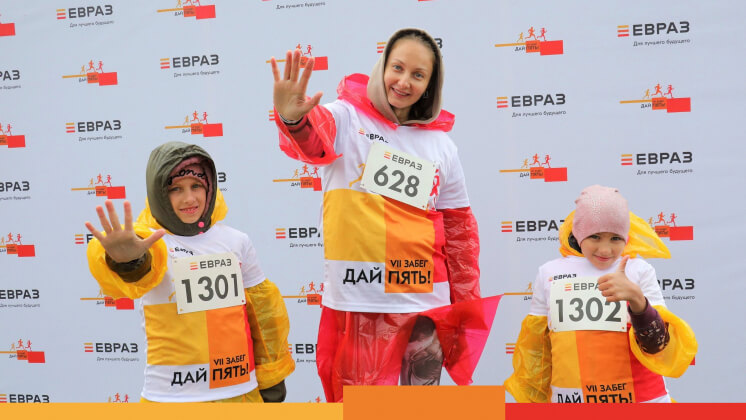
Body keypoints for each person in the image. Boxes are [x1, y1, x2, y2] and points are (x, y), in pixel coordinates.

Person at [270, 28, 500, 402]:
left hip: (424, 305)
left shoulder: (441, 145)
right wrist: (293, 120)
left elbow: (459, 233)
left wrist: (463, 307)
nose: (404, 82)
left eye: (418, 75)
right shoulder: (346, 117)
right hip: (361, 302)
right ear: (382, 67)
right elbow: (313, 141)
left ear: (430, 85)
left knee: (421, 409)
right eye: (398, 68)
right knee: (362, 408)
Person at [84, 141, 294, 402]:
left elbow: (263, 314)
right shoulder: (150, 242)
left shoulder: (236, 241)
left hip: (239, 393)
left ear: (210, 187)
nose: (189, 199)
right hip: (170, 398)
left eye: (196, 186)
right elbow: (140, 272)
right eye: (175, 189)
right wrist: (127, 262)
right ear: (159, 194)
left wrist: (272, 377)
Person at [505, 185, 697, 403]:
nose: (605, 250)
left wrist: (637, 301)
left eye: (615, 238)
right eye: (595, 236)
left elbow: (658, 347)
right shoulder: (549, 272)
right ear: (578, 233)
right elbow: (537, 350)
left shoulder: (639, 270)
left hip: (641, 401)